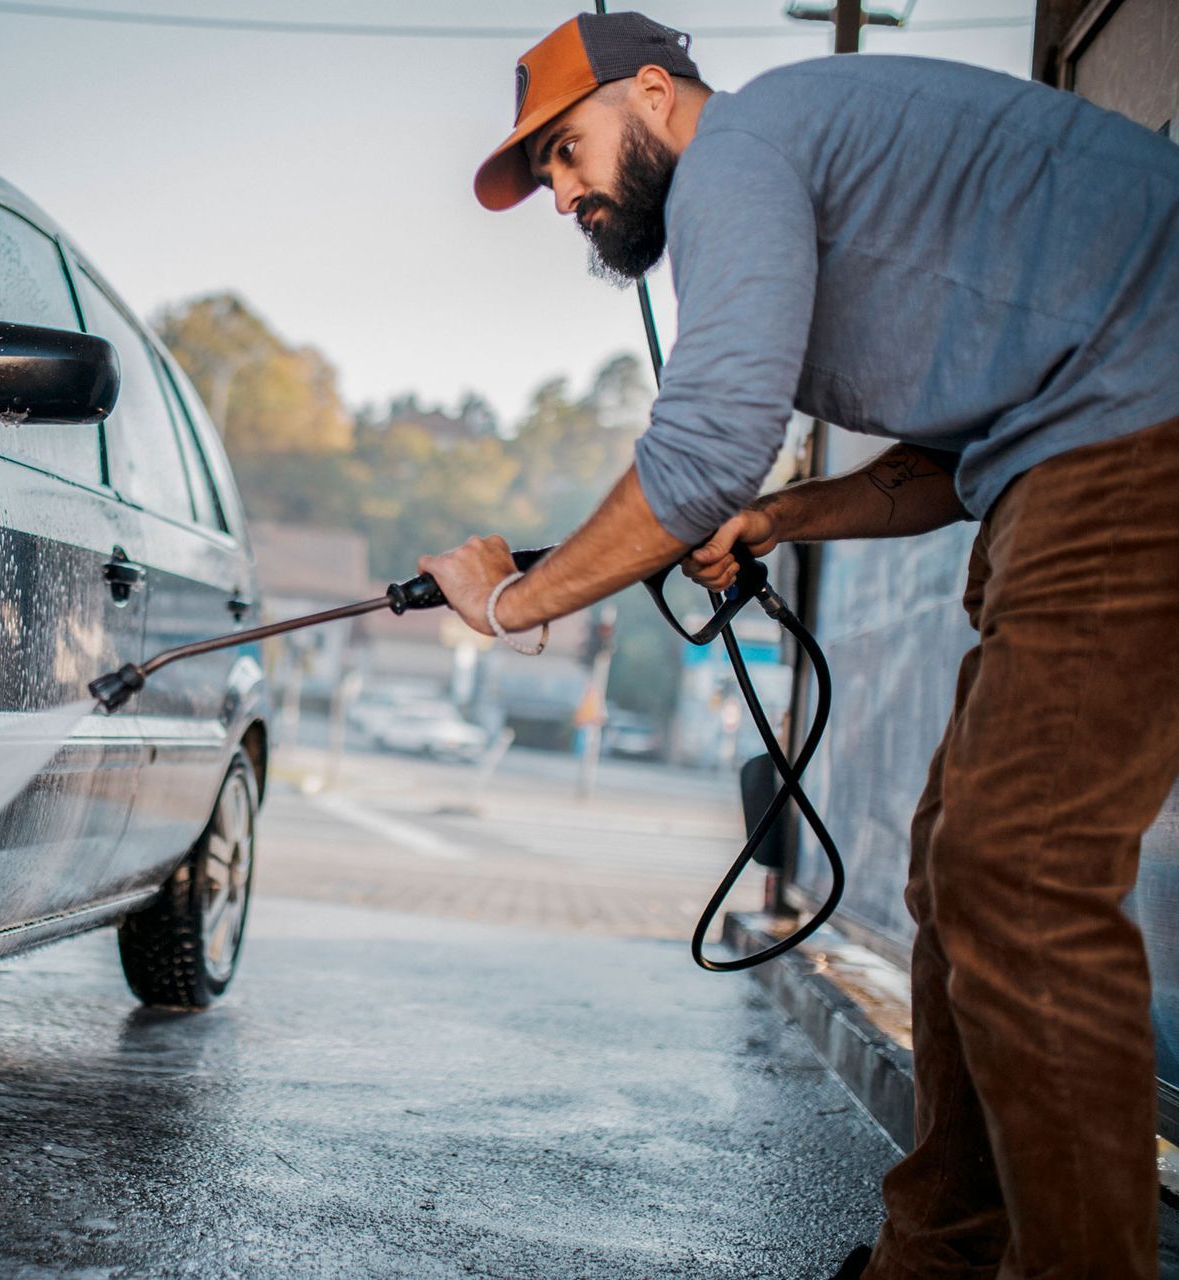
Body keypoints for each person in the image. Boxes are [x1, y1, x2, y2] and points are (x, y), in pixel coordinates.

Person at [416, 11, 1179, 1279]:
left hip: (1138, 429)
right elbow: (943, 466)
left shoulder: (741, 152)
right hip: (1072, 446)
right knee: (966, 871)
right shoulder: (794, 160)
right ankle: (934, 1257)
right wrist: (781, 515)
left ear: (653, 91)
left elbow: (705, 442)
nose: (562, 195)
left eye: (565, 151)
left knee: (1020, 876)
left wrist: (514, 600)